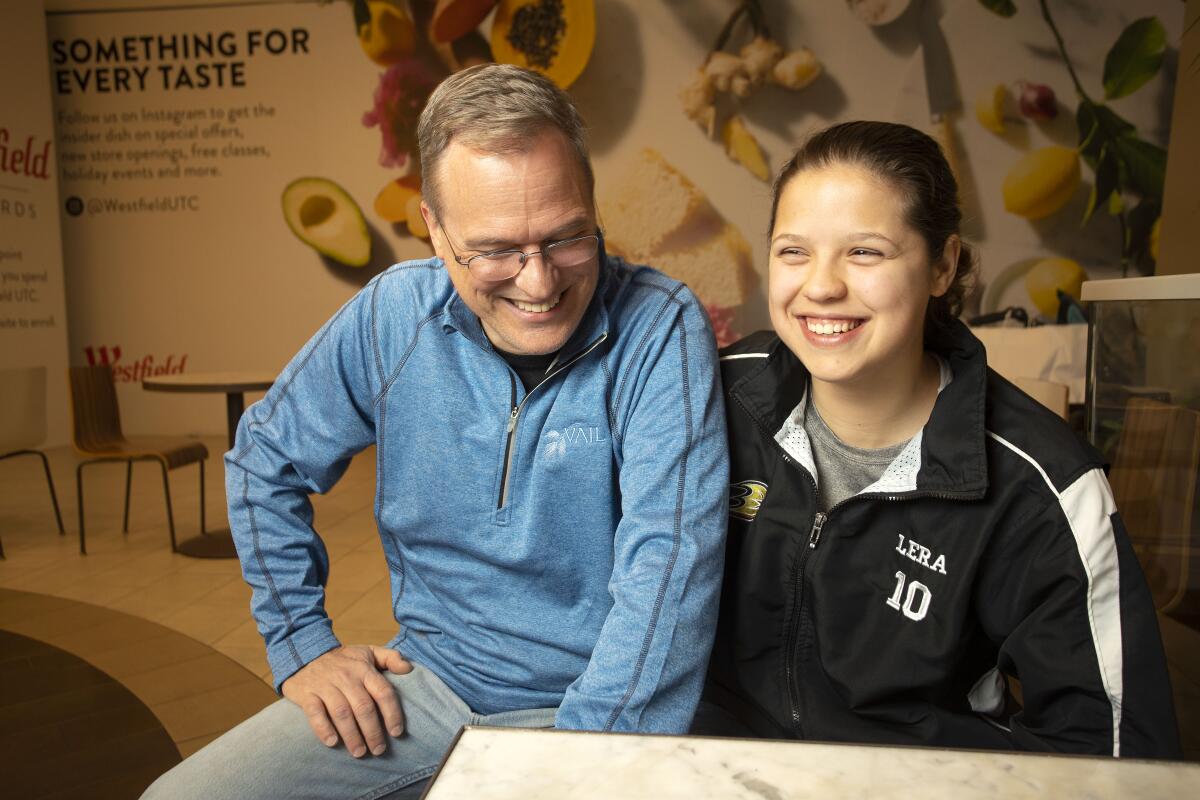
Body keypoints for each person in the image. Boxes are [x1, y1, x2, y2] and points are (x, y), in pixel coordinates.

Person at [143, 64, 728, 799]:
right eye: (495, 251)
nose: (539, 283)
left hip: (596, 709)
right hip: (425, 693)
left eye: (566, 237)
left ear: (592, 203)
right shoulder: (392, 317)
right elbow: (264, 457)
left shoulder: (660, 326)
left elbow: (668, 571)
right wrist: (301, 643)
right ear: (434, 229)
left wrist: (586, 762)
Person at [700, 120, 1181, 758]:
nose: (820, 286)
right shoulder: (709, 396)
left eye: (864, 252)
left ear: (942, 265)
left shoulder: (1043, 485)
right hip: (709, 766)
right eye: (793, 251)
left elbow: (1116, 751)